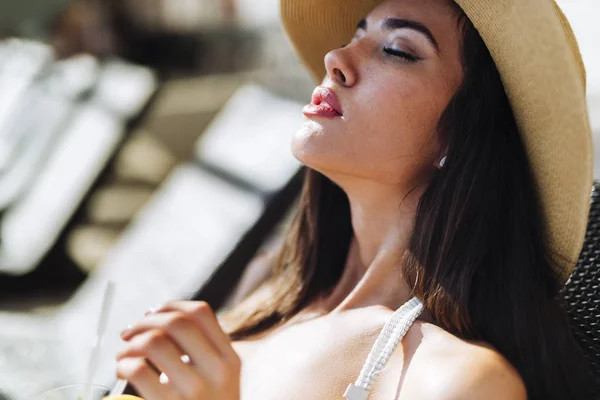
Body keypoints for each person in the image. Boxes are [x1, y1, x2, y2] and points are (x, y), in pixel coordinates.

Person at [113, 0, 595, 399]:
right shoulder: (267, 287)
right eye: (358, 33)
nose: (336, 58)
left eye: (396, 50)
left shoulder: (454, 381)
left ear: (462, 140)